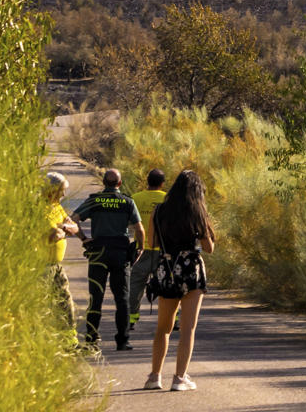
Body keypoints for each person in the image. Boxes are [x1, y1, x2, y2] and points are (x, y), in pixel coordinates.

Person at [144, 169, 216, 392]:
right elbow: (209, 248)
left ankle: (154, 377)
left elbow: (152, 241)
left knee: (163, 328)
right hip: (190, 269)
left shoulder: (159, 211)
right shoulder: (197, 212)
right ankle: (179, 378)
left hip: (166, 269)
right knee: (187, 329)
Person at [73, 167, 143, 351]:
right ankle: (122, 340)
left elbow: (73, 219)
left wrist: (84, 239)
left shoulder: (94, 200)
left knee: (96, 297)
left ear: (104, 182)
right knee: (122, 299)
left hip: (98, 252)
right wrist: (140, 248)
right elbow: (140, 230)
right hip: (120, 254)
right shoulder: (127, 202)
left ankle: (91, 339)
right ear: (119, 184)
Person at [125, 168, 167, 332]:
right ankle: (174, 318)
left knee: (135, 285)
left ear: (147, 181)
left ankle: (131, 318)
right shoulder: (167, 200)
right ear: (162, 183)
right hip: (163, 249)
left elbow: (129, 224)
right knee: (167, 285)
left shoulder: (136, 198)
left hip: (141, 249)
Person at [43, 173, 80, 333]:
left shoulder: (56, 206)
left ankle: (69, 339)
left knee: (65, 301)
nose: (64, 195)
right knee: (44, 304)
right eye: (61, 190)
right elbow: (54, 236)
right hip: (42, 267)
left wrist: (63, 227)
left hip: (56, 265)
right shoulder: (41, 209)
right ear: (52, 189)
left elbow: (75, 226)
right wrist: (65, 229)